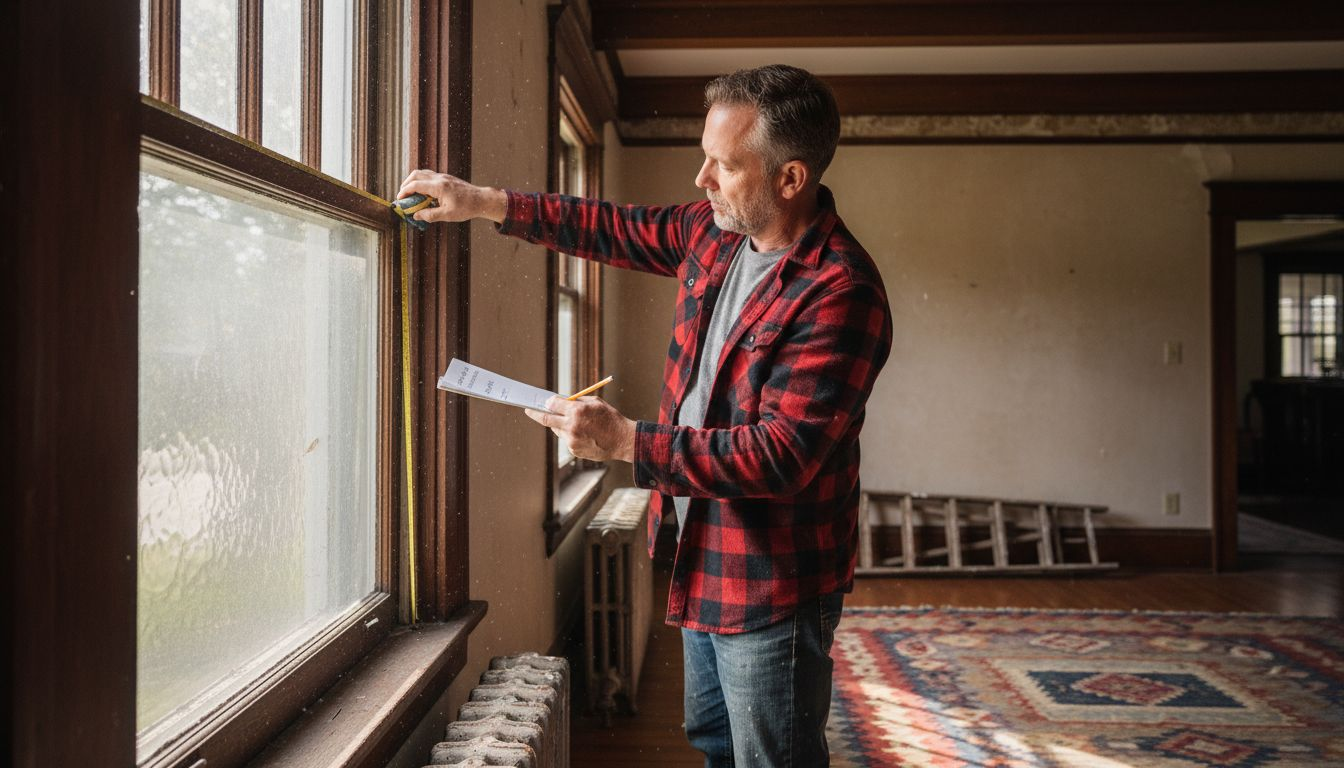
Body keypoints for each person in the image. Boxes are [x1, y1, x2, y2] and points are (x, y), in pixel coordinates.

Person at [398, 64, 892, 767]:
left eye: (723, 165)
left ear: (791, 179)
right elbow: (613, 228)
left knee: (772, 759)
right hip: (701, 551)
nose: (702, 180)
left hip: (774, 577)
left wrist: (626, 440)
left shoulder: (842, 292)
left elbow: (782, 455)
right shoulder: (718, 234)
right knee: (718, 743)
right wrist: (480, 202)